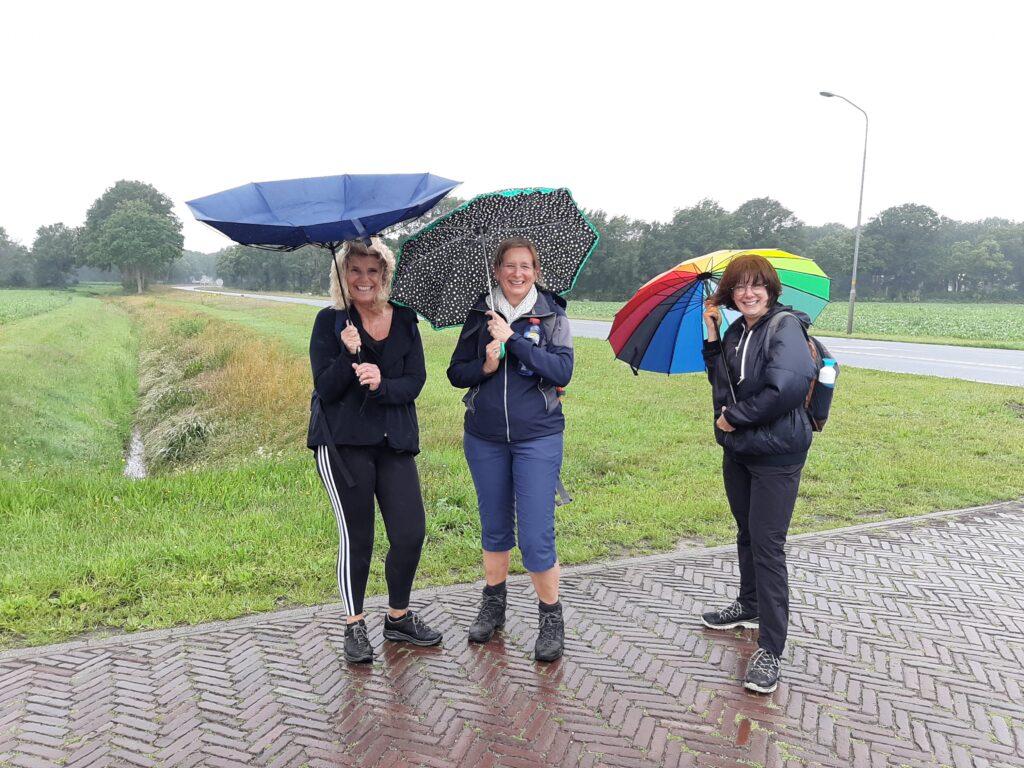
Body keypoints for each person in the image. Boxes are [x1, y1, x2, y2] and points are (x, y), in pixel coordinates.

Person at [307, 237, 442, 664]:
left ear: (385, 274)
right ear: (342, 275)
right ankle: (354, 624)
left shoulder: (404, 319)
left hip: (394, 441)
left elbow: (415, 381)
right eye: (354, 271)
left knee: (409, 533)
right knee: (358, 536)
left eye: (372, 270)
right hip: (343, 443)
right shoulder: (330, 322)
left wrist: (382, 383)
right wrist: (348, 358)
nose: (363, 279)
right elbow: (324, 390)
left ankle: (398, 617)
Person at [447, 237, 574, 662]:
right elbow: (455, 374)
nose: (517, 274)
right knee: (495, 524)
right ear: (498, 270)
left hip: (537, 435)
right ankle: (494, 604)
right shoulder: (478, 313)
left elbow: (562, 370)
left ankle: (550, 617)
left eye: (526, 266)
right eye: (509, 266)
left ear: (536, 271)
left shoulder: (552, 313)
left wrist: (515, 341)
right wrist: (485, 364)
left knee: (536, 534)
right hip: (484, 438)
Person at [700, 253, 817, 694]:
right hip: (741, 450)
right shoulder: (735, 330)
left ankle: (771, 647)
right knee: (747, 533)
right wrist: (712, 337)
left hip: (777, 453)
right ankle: (748, 606)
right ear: (729, 293)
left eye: (757, 285)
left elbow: (785, 388)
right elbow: (722, 380)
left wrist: (737, 418)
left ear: (771, 289)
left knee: (768, 545)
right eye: (739, 286)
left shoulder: (783, 326)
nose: (748, 293)